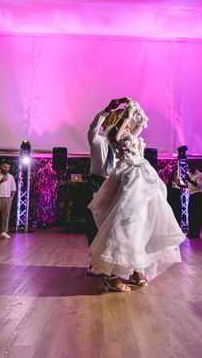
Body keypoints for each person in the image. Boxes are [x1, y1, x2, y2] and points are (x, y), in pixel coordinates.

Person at [88, 98, 185, 292]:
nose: (127, 122)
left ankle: (135, 267)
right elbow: (98, 128)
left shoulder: (127, 134)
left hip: (134, 178)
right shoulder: (103, 137)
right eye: (120, 119)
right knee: (114, 222)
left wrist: (137, 113)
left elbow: (138, 126)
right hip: (107, 180)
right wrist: (118, 110)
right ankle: (105, 267)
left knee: (141, 222)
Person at [86, 98, 123, 274]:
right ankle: (94, 262)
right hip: (96, 182)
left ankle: (110, 263)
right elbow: (93, 126)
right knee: (94, 224)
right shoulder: (96, 140)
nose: (112, 124)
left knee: (112, 225)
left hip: (113, 183)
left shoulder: (119, 146)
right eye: (109, 121)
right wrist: (107, 109)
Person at [185, 165, 202, 238]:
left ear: (194, 168)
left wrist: (189, 180)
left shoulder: (200, 175)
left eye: (190, 168)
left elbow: (198, 186)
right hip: (191, 195)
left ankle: (196, 233)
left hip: (197, 195)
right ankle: (191, 232)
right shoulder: (190, 174)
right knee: (190, 214)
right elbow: (190, 185)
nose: (189, 170)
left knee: (196, 214)